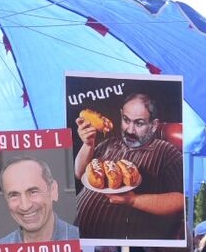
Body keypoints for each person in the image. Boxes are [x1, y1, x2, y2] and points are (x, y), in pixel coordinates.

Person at [73, 93, 185, 241]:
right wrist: (88, 144)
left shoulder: (165, 151)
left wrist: (133, 200)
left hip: (109, 246)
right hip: (73, 232)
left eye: (139, 123)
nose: (130, 130)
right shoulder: (110, 143)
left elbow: (181, 200)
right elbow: (80, 173)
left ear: (154, 125)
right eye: (126, 120)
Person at [0, 155, 78, 245]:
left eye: (33, 192)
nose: (25, 206)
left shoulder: (82, 243)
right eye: (14, 195)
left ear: (53, 190)